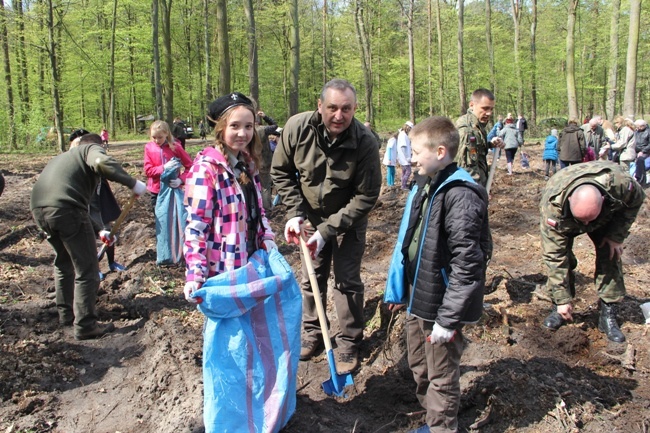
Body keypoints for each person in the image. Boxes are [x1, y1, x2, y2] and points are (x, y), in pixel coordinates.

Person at [387, 116, 490, 433]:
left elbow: (468, 263)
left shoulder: (460, 194)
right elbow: (412, 239)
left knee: (442, 372)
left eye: (417, 151)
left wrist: (448, 319)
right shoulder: (425, 184)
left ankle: (442, 427)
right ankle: (430, 415)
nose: (412, 158)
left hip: (442, 305)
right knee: (419, 362)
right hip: (420, 294)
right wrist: (400, 288)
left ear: (441, 151)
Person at [271, 78, 382, 374]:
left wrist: (328, 230)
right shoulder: (297, 128)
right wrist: (295, 213)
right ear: (320, 106)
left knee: (347, 282)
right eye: (332, 107)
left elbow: (367, 195)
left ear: (355, 109)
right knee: (311, 278)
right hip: (308, 218)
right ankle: (313, 333)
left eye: (346, 109)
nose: (338, 115)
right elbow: (280, 171)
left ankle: (348, 340)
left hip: (349, 222)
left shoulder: (365, 142)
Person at [30, 133, 147, 340]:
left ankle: (66, 315)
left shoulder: (62, 158)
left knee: (64, 262)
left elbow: (75, 202)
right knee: (88, 269)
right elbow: (101, 162)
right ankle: (85, 325)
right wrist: (132, 183)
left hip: (41, 210)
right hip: (66, 209)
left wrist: (99, 229)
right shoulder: (89, 150)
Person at [183, 92, 277, 302]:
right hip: (224, 270)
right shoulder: (205, 170)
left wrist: (267, 236)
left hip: (251, 262)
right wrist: (195, 273)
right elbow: (196, 226)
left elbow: (258, 210)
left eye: (248, 126)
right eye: (235, 126)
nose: (242, 133)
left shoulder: (248, 164)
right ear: (221, 128)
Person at [540, 161, 645, 343]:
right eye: (583, 221)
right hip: (566, 219)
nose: (586, 227)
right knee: (564, 258)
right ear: (571, 200)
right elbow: (554, 256)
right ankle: (559, 307)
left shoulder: (620, 184)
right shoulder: (552, 206)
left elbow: (636, 199)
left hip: (605, 215)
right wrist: (561, 298)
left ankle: (608, 314)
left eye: (589, 221)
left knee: (610, 255)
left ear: (603, 199)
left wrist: (616, 236)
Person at [69, 129, 126, 278]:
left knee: (107, 229)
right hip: (83, 205)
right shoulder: (72, 163)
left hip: (99, 202)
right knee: (87, 236)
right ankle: (95, 269)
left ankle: (112, 262)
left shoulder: (93, 157)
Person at [455, 89, 504, 187]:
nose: (489, 113)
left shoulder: (478, 126)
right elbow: (467, 169)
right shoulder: (468, 131)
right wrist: (478, 192)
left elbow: (475, 151)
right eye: (485, 108)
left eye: (491, 109)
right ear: (472, 105)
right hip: (468, 190)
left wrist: (490, 144)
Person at [143, 120, 193, 212]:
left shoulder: (176, 147)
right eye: (154, 137)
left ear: (166, 134)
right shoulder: (149, 147)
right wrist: (163, 168)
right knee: (160, 218)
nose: (157, 140)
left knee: (173, 218)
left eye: (160, 137)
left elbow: (191, 167)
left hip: (172, 189)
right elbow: (148, 171)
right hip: (156, 191)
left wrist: (180, 180)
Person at [397, 121, 414, 190]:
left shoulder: (402, 134)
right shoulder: (403, 135)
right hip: (404, 158)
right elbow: (403, 147)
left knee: (404, 172)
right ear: (408, 127)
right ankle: (403, 185)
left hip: (402, 157)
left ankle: (403, 184)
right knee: (408, 171)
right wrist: (407, 157)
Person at [633, 119, 650, 184]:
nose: (637, 128)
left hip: (646, 152)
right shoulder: (636, 132)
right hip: (636, 151)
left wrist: (643, 151)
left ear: (643, 126)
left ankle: (640, 179)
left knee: (640, 161)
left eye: (638, 126)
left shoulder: (648, 132)